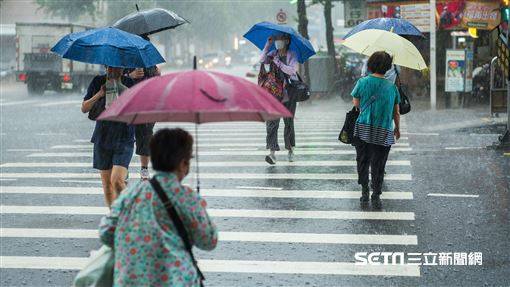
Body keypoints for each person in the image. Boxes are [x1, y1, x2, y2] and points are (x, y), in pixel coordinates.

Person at [99, 128, 218, 286]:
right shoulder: (186, 197)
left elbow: (106, 233)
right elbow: (208, 240)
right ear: (183, 164)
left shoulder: (131, 194)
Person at [351, 51, 401, 208]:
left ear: (370, 65)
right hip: (384, 130)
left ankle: (365, 190)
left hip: (363, 128)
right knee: (379, 163)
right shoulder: (392, 88)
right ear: (387, 68)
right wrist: (397, 128)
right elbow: (396, 112)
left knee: (363, 160)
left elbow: (356, 104)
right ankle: (376, 194)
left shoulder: (362, 82)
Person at [81, 66, 135, 207]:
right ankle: (114, 218)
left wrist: (123, 89)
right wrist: (99, 94)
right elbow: (84, 108)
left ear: (123, 68)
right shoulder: (98, 81)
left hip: (124, 136)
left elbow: (139, 106)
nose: (113, 70)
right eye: (110, 67)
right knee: (107, 184)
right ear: (105, 67)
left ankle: (129, 212)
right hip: (102, 136)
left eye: (117, 68)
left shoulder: (129, 83)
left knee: (117, 181)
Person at [260, 33, 299, 165]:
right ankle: (272, 153)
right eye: (276, 39)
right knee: (272, 124)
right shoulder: (272, 53)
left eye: (280, 39)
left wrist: (278, 62)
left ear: (287, 41)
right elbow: (262, 60)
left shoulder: (292, 54)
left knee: (288, 123)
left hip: (288, 94)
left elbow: (292, 71)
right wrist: (267, 45)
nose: (278, 41)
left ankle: (290, 150)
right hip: (273, 94)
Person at [127, 35, 161, 181]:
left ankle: (144, 169)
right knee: (126, 136)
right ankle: (122, 166)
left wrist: (157, 76)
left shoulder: (151, 63)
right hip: (129, 103)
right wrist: (130, 75)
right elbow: (112, 77)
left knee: (145, 136)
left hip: (148, 104)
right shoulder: (126, 59)